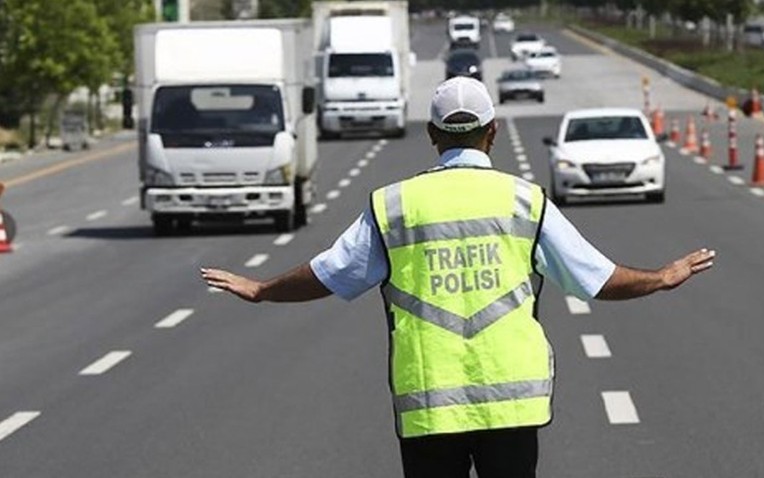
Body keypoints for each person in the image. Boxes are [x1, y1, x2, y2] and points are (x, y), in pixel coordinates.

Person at [200, 77, 715, 478]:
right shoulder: (524, 200)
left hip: (429, 404)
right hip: (512, 406)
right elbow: (596, 280)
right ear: (492, 133)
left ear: (432, 135)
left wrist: (261, 290)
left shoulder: (395, 205)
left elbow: (331, 274)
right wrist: (661, 277)